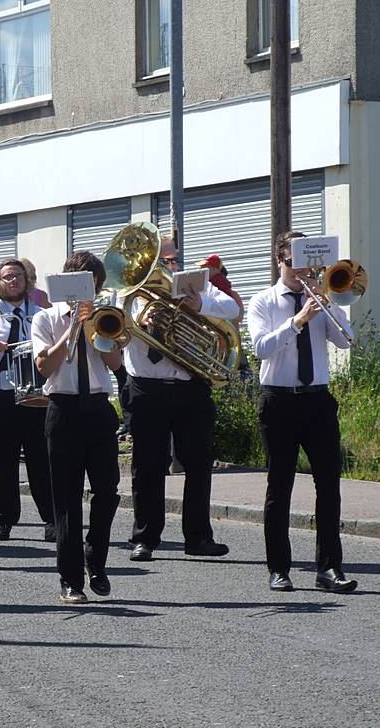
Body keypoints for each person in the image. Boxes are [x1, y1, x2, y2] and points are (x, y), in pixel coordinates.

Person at [248, 231, 357, 594]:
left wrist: (329, 302)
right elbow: (262, 348)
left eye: (310, 263)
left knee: (329, 485)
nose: (303, 270)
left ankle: (329, 568)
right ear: (281, 261)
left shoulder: (321, 298)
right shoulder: (264, 301)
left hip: (318, 400)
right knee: (280, 486)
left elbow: (346, 339)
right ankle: (279, 568)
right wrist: (297, 321)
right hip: (279, 400)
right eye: (296, 262)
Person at [125, 236, 239, 562]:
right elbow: (114, 329)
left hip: (191, 386)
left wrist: (199, 306)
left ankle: (199, 537)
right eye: (163, 259)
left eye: (172, 259)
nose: (169, 265)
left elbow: (231, 307)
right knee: (147, 465)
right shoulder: (130, 293)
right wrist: (138, 323)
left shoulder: (195, 284)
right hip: (148, 388)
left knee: (199, 464)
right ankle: (144, 538)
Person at [33, 252, 122, 603]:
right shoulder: (45, 319)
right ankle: (70, 580)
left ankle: (95, 559)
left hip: (99, 408)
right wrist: (72, 327)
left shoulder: (104, 317)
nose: (90, 289)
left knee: (108, 491)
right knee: (66, 499)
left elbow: (115, 362)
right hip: (63, 408)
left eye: (95, 284)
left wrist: (98, 328)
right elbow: (45, 367)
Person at [0, 259, 55, 542]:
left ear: (27, 280)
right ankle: (3, 519)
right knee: (2, 462)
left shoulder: (41, 314)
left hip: (35, 397)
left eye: (18, 276)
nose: (13, 281)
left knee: (41, 460)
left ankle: (51, 519)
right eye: (7, 277)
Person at [200, 254, 244, 324]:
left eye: (204, 268)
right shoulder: (230, 289)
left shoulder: (213, 284)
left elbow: (238, 316)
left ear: (214, 269)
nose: (201, 271)